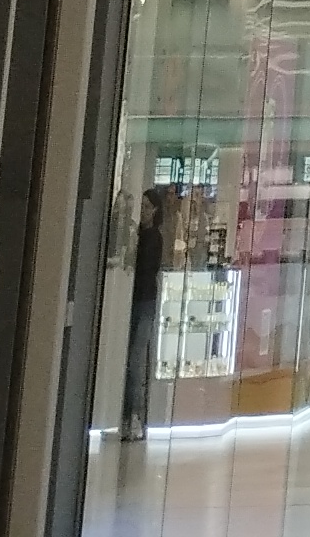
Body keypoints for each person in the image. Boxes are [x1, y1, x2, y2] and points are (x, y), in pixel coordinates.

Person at [121, 186, 174, 440]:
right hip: (133, 301)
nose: (142, 211)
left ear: (154, 210)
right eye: (140, 207)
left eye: (146, 207)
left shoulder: (153, 238)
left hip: (145, 303)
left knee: (135, 361)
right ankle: (127, 416)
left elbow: (145, 269)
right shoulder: (135, 234)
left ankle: (135, 417)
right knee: (129, 360)